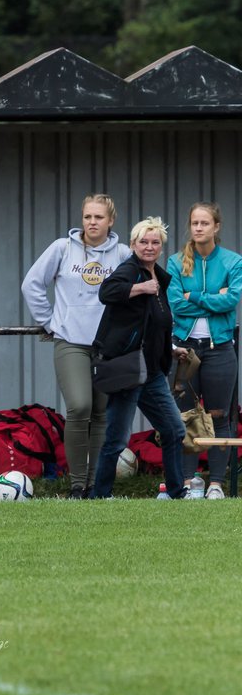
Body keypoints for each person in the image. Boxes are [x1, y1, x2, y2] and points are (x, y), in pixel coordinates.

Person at [22, 193, 131, 498]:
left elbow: (134, 293)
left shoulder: (121, 253)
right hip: (71, 341)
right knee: (79, 406)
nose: (92, 222)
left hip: (107, 346)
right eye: (87, 217)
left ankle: (96, 484)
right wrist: (50, 321)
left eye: (98, 217)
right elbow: (32, 284)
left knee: (101, 412)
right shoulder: (63, 248)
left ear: (110, 221)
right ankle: (77, 483)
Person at [91, 217, 189, 500]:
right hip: (129, 369)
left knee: (173, 430)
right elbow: (106, 291)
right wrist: (140, 288)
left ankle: (175, 491)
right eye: (143, 242)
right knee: (117, 438)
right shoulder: (130, 270)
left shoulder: (159, 275)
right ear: (133, 245)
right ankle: (101, 494)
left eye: (155, 242)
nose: (149, 247)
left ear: (161, 246)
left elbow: (152, 325)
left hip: (153, 371)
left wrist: (170, 349)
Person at [167, 201, 242, 499]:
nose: (198, 228)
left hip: (220, 349)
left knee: (218, 415)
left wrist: (194, 295)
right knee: (184, 416)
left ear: (216, 227)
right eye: (195, 223)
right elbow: (176, 303)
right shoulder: (175, 262)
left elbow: (231, 301)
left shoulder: (233, 262)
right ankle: (188, 483)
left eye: (204, 223)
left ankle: (216, 484)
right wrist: (212, 296)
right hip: (184, 349)